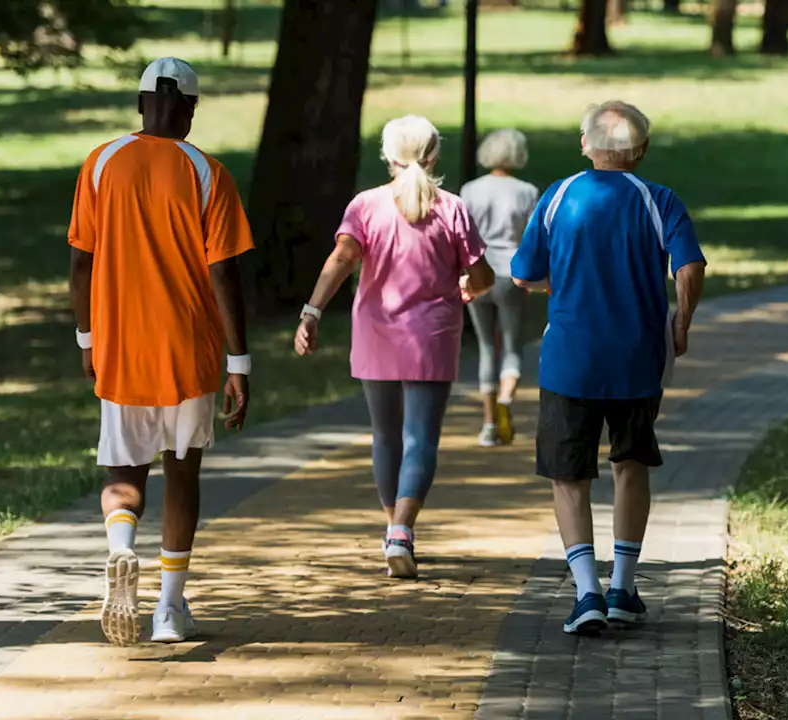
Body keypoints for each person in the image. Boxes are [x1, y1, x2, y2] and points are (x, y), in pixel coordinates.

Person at [68, 57, 254, 646]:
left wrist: (86, 337)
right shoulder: (208, 172)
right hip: (189, 352)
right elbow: (224, 273)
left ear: (140, 103)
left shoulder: (101, 163)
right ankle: (170, 610)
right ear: (190, 110)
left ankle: (121, 549)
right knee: (182, 472)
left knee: (123, 471)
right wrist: (239, 362)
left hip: (121, 347)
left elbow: (81, 261)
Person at [511, 101, 707, 635]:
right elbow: (689, 265)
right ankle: (623, 586)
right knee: (630, 465)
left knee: (567, 475)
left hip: (569, 360)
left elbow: (525, 274)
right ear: (640, 150)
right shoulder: (659, 200)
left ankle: (586, 593)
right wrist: (682, 324)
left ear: (585, 145)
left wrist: (559, 284)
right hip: (638, 358)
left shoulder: (557, 197)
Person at [294, 115, 493, 580]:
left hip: (376, 335)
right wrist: (471, 286)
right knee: (420, 438)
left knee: (385, 436)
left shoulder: (365, 206)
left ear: (388, 157)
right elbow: (482, 276)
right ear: (435, 155)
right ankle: (400, 531)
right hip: (432, 337)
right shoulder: (451, 208)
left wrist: (312, 310)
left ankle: (394, 530)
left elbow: (343, 257)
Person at [460, 129, 540, 448]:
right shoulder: (527, 191)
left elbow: (461, 233)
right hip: (511, 274)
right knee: (511, 344)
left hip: (478, 272)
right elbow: (533, 238)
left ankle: (489, 423)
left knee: (485, 347)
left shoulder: (469, 189)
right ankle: (507, 397)